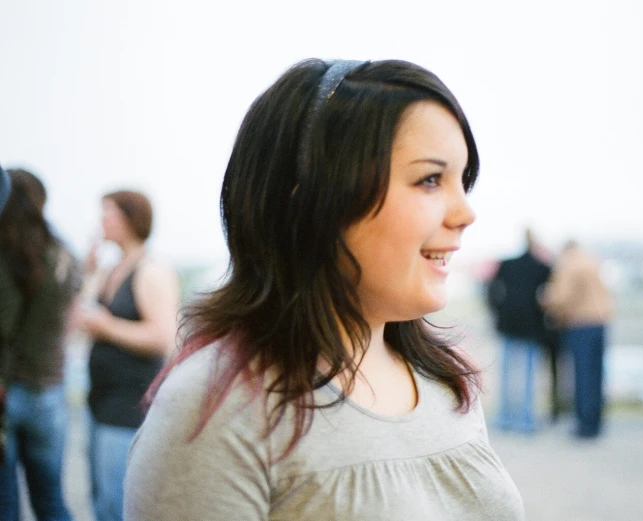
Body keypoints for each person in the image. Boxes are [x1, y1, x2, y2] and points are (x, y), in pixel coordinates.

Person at [124, 58, 525, 520]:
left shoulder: (443, 379)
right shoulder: (220, 411)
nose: (465, 213)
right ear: (313, 201)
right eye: (430, 180)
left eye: (462, 181)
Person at [75, 190, 179, 521]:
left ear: (130, 220)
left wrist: (107, 327)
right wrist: (87, 270)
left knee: (116, 505)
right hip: (99, 401)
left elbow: (163, 338)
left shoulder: (150, 271)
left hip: (128, 407)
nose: (101, 220)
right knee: (99, 499)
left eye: (108, 212)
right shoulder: (110, 268)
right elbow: (80, 318)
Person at [0, 168, 80, 521]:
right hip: (48, 389)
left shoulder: (5, 251)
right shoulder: (63, 253)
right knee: (51, 501)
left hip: (6, 389)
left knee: (6, 507)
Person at [540, 240, 613, 439]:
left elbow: (561, 297)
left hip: (580, 323)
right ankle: (596, 423)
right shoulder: (592, 260)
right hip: (601, 322)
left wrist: (546, 300)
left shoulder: (568, 264)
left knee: (582, 376)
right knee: (597, 376)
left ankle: (584, 426)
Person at [487, 228, 553, 432]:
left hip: (508, 323)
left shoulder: (507, 264)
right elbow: (549, 294)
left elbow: (490, 290)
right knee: (528, 375)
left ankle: (506, 416)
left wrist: (498, 311)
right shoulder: (541, 267)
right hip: (532, 325)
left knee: (507, 373)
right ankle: (525, 418)